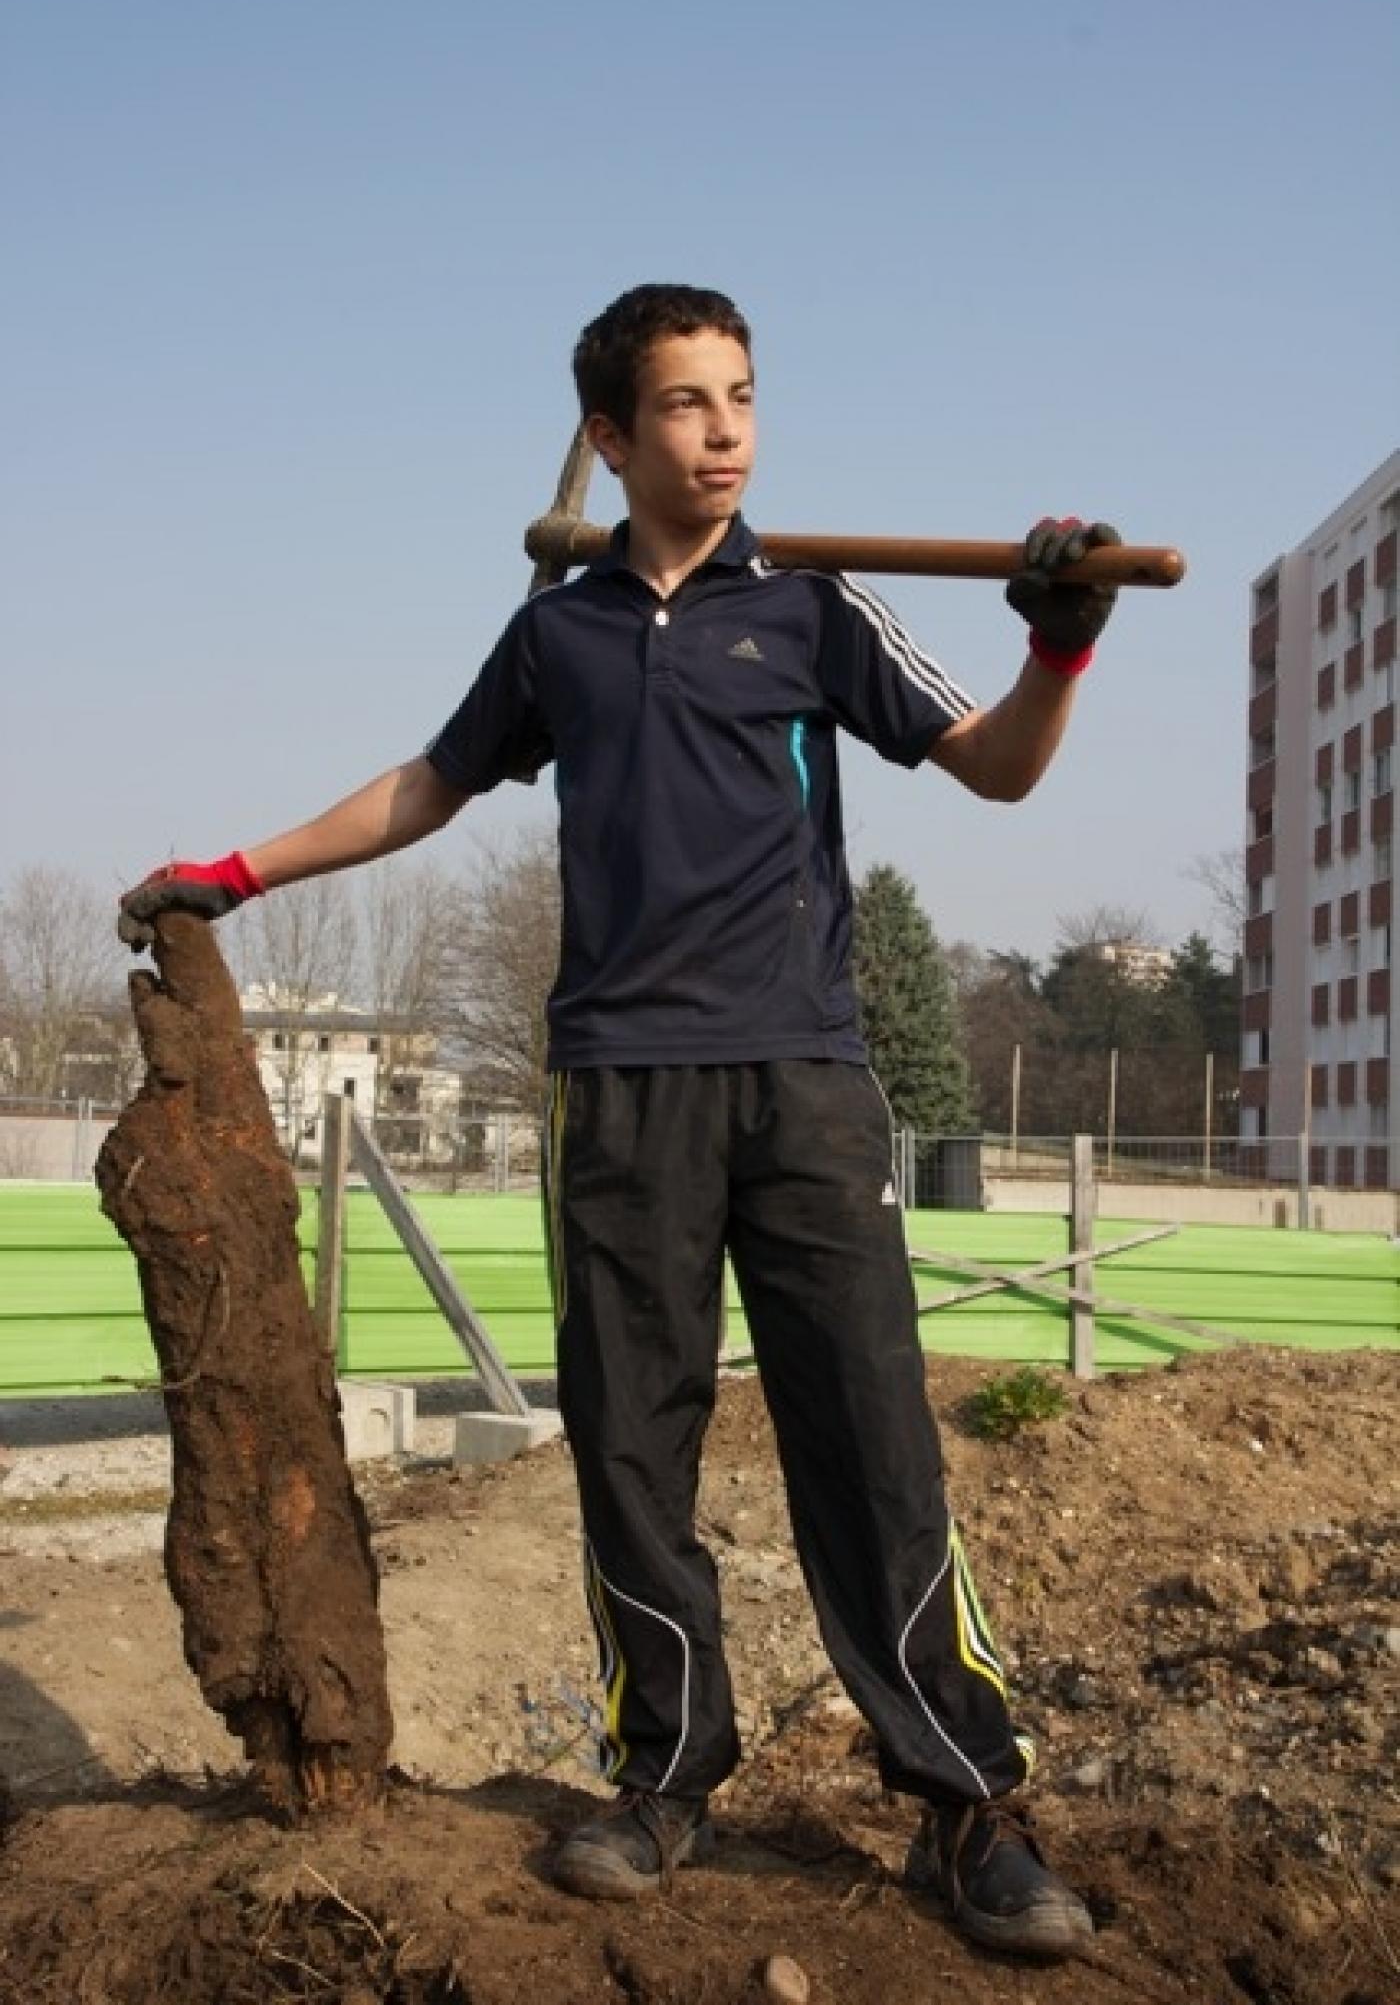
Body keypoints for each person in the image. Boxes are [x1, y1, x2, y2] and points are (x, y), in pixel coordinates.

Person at [119, 283, 1120, 1962]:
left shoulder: (816, 607)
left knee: (874, 1440)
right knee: (632, 1446)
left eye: (742, 399)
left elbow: (1000, 767)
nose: (724, 432)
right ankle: (664, 1771)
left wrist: (1060, 641)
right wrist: (245, 869)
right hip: (621, 1087)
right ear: (609, 434)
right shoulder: (559, 635)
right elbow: (429, 783)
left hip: (803, 1076)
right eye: (684, 404)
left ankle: (968, 1797)